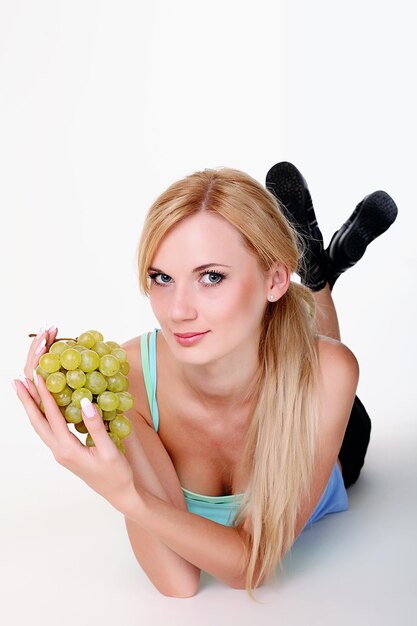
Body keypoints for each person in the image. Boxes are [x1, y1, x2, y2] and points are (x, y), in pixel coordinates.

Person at [13, 162, 398, 601]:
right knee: (315, 356)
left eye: (211, 277)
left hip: (331, 435)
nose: (178, 311)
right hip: (283, 356)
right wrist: (119, 484)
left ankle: (313, 279)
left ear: (274, 279)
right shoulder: (126, 377)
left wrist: (129, 496)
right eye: (162, 278)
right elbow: (178, 583)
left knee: (323, 355)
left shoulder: (330, 375)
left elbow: (251, 567)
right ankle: (310, 267)